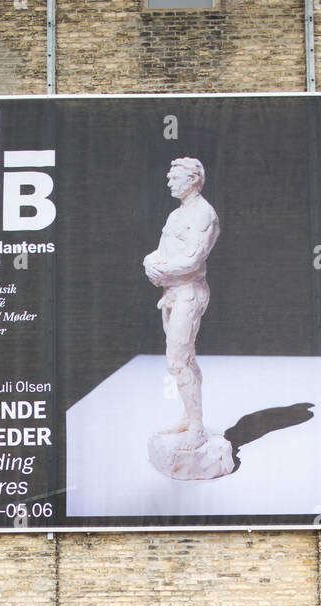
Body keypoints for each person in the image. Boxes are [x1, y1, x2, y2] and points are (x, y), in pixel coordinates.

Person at [143, 157, 220, 450]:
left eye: (175, 177)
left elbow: (193, 259)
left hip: (189, 291)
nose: (169, 182)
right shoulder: (176, 215)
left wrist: (160, 269)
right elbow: (162, 251)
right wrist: (149, 262)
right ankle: (190, 417)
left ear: (193, 180)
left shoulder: (203, 214)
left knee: (177, 360)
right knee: (184, 359)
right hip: (172, 292)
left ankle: (197, 427)